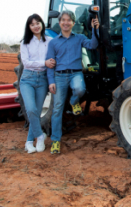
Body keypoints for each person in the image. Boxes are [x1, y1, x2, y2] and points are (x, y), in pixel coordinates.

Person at [46, 10, 99, 154]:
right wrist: (51, 81)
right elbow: (50, 64)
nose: (66, 22)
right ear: (59, 22)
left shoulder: (80, 38)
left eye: (69, 20)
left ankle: (74, 101)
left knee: (80, 89)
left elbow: (93, 45)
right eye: (63, 20)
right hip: (59, 75)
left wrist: (95, 29)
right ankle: (56, 141)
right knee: (57, 109)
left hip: (75, 73)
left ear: (73, 23)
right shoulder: (53, 42)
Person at [19, 13, 56, 153]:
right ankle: (40, 136)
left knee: (38, 112)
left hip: (42, 79)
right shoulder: (25, 43)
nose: (36, 26)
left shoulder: (50, 41)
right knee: (31, 110)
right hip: (27, 79)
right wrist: (44, 63)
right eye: (32, 24)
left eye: (38, 23)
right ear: (29, 27)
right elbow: (26, 63)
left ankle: (29, 142)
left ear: (42, 24)